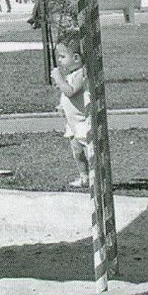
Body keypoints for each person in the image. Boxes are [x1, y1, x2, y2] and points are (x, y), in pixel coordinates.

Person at [51, 35, 91, 189]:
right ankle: (84, 176)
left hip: (82, 121)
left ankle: (95, 176)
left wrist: (59, 79)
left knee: (88, 149)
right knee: (77, 151)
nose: (59, 60)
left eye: (62, 56)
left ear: (76, 58)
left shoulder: (81, 74)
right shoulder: (70, 74)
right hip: (72, 122)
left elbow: (71, 92)